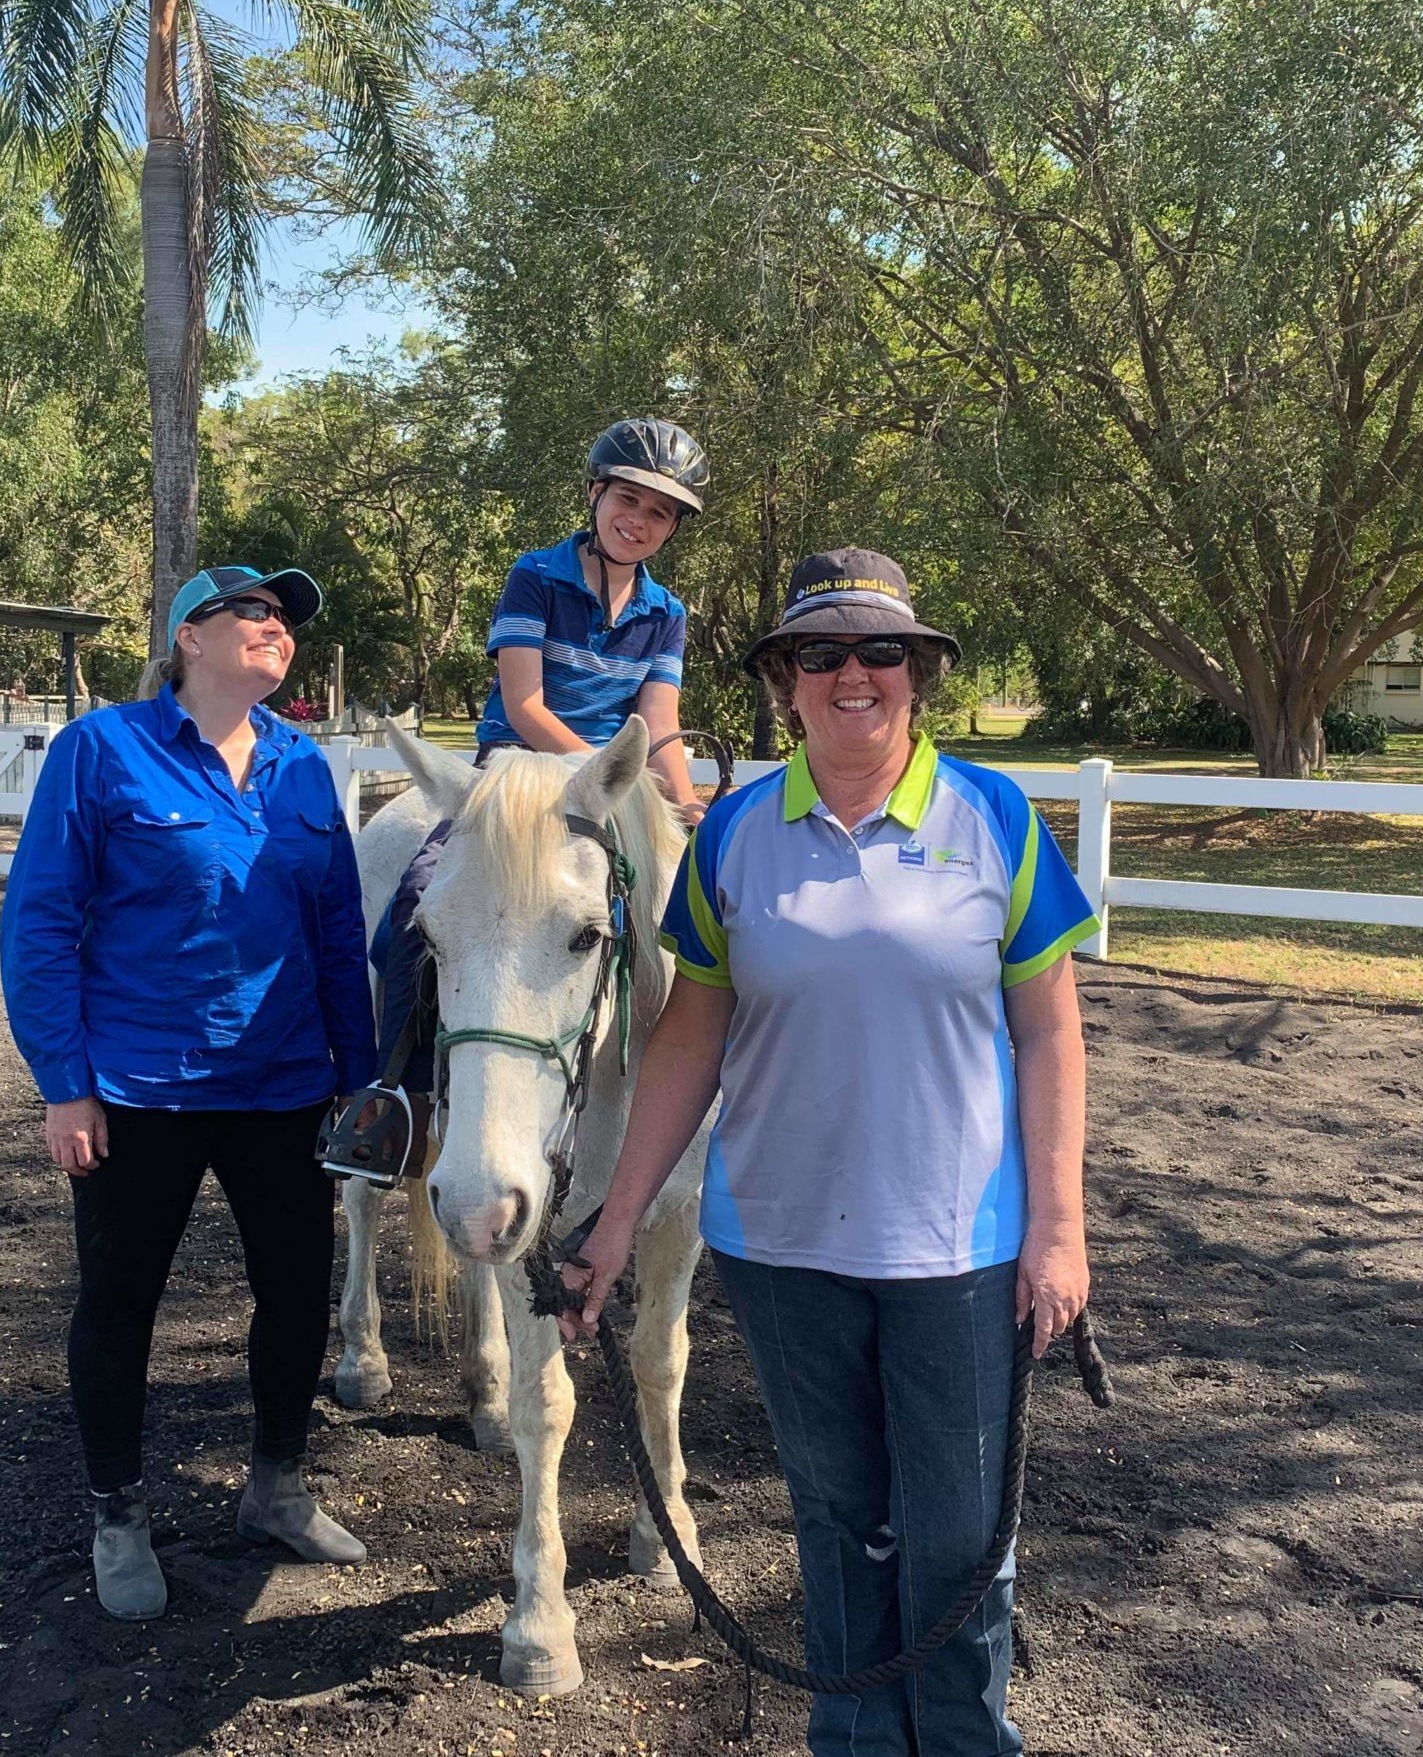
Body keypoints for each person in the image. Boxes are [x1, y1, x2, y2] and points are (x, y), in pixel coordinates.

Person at [563, 549, 1097, 1755]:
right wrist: (612, 1223)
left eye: (880, 652)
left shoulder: (994, 818)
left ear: (917, 676)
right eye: (822, 655)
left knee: (960, 1536)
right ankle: (851, 1744)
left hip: (959, 1245)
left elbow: (1050, 1029)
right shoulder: (738, 831)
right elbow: (688, 1035)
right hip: (779, 1242)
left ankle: (961, 1743)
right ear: (784, 684)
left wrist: (1060, 1231)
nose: (853, 675)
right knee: (837, 1519)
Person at [0, 563, 378, 1621]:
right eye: (251, 613)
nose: (275, 629)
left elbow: (338, 937)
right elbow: (39, 922)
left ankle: (276, 1484)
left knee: (299, 1298)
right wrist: (64, 1085)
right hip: (138, 1089)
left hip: (284, 1086)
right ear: (189, 638)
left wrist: (361, 1080)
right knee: (121, 1304)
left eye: (285, 620)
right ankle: (117, 1513)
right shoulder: (99, 750)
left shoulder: (306, 768)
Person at [368, 418, 710, 1094]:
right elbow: (524, 704)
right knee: (415, 899)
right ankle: (392, 1100)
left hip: (607, 783)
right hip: (516, 771)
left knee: (689, 903)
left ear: (672, 529)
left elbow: (657, 718)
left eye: (659, 513)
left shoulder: (666, 611)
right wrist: (604, 775)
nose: (638, 521)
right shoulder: (536, 576)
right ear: (595, 494)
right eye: (628, 500)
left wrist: (684, 799)